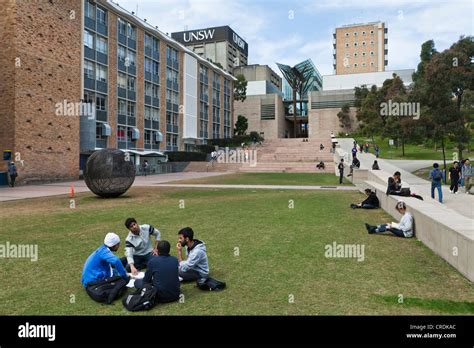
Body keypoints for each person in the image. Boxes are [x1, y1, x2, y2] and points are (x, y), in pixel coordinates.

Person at [81, 232, 130, 297]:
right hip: (92, 280)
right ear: (113, 245)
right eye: (118, 244)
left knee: (116, 269)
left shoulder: (102, 249)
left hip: (88, 277)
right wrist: (125, 276)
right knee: (120, 279)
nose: (119, 246)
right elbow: (116, 261)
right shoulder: (104, 252)